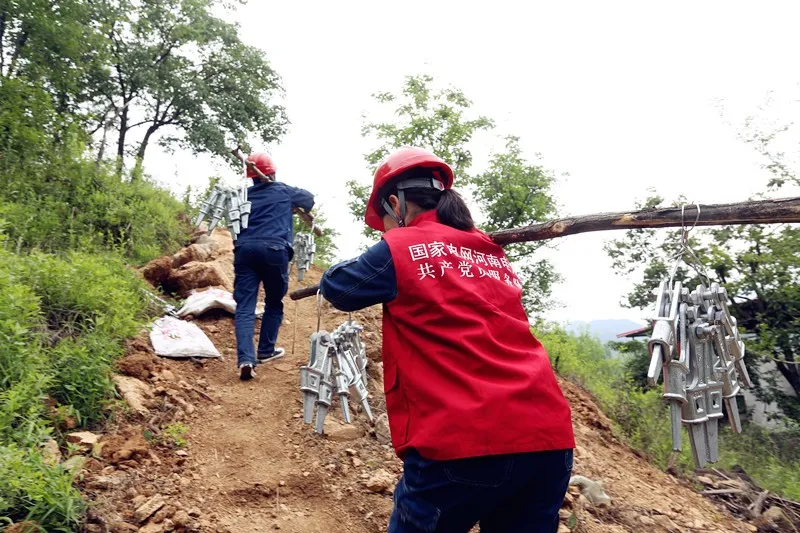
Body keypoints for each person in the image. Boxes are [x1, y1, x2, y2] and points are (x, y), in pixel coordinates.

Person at [319, 147, 575, 532]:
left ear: (395, 205)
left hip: (464, 442)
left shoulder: (401, 246)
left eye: (385, 224)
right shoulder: (491, 252)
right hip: (548, 440)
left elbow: (339, 287)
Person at [234, 152, 314, 381]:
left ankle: (246, 359)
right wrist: (291, 205)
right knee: (273, 301)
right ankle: (266, 350)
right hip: (275, 251)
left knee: (245, 306)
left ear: (251, 177)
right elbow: (309, 199)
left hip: (245, 250)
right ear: (273, 173)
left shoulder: (244, 196)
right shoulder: (283, 191)